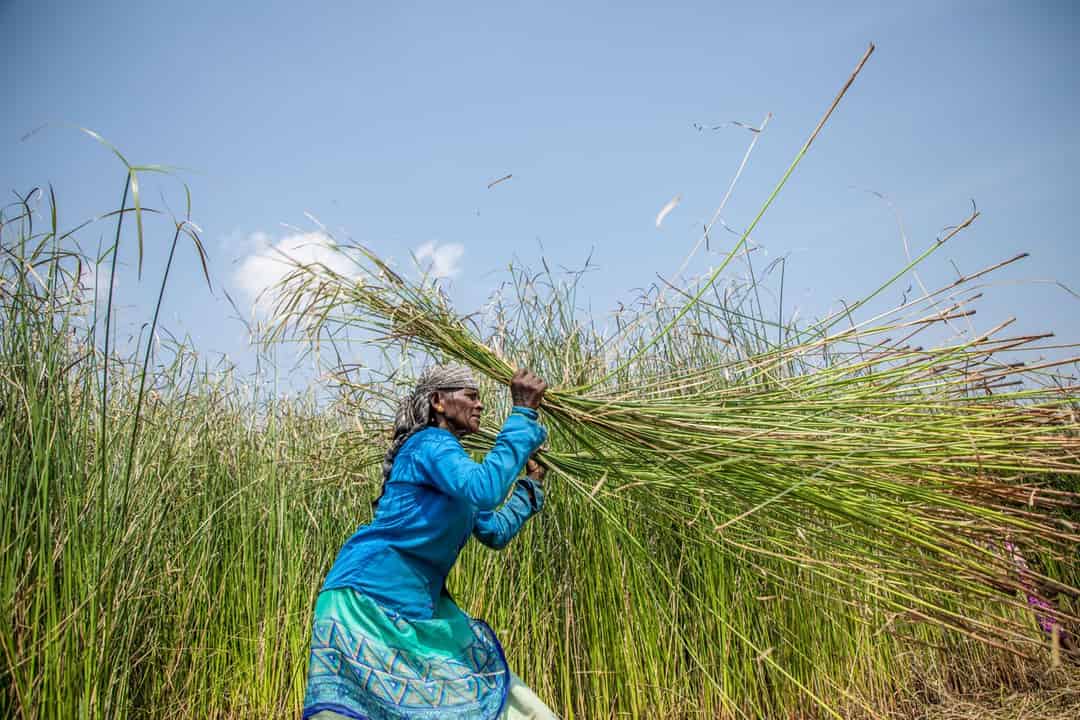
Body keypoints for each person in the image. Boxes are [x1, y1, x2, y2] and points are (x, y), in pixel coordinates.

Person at [303, 364, 559, 720]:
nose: (480, 405)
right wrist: (522, 413)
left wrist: (530, 487)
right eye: (471, 396)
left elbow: (495, 531)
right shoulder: (428, 444)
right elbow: (485, 488)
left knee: (480, 694)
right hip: (367, 602)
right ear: (439, 401)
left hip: (412, 610)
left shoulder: (450, 467)